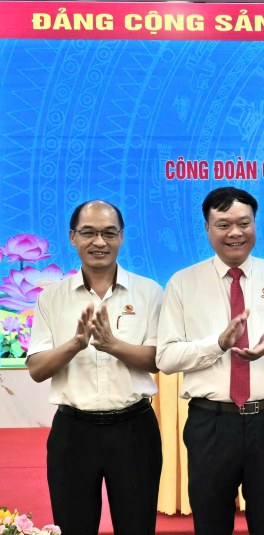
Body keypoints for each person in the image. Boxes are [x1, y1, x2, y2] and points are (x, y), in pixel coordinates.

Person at [156, 186, 264, 535]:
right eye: (223, 224)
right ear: (207, 229)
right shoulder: (182, 283)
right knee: (211, 524)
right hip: (210, 424)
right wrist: (217, 344)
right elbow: (165, 358)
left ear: (255, 224)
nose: (235, 232)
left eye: (244, 222)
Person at [27, 200, 163, 535]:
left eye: (108, 233)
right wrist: (75, 344)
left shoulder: (149, 292)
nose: (98, 242)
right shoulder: (52, 297)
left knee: (136, 527)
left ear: (121, 237)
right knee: (73, 526)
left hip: (134, 429)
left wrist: (113, 346)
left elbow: (159, 360)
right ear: (72, 237)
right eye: (88, 233)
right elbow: (37, 369)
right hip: (74, 432)